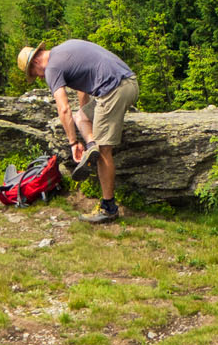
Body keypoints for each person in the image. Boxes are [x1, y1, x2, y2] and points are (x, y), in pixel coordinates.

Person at [17, 38, 139, 224]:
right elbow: (83, 88)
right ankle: (91, 146)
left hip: (114, 90)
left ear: (35, 62)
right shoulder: (65, 48)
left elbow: (63, 108)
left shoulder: (51, 69)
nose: (39, 78)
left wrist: (73, 143)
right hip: (129, 82)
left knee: (104, 149)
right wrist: (85, 115)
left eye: (34, 73)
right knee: (80, 117)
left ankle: (109, 208)